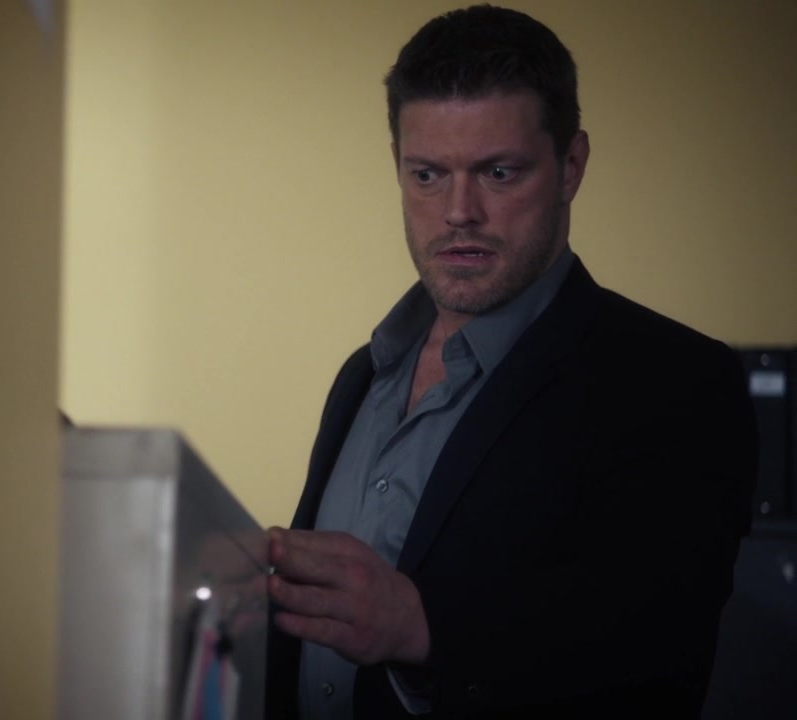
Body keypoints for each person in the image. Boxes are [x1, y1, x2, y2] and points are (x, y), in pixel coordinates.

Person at [264, 5, 757, 718]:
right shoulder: (362, 375)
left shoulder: (678, 383)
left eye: (498, 172)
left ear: (571, 166)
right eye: (427, 174)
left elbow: (658, 651)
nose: (458, 211)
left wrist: (422, 628)